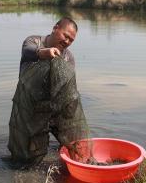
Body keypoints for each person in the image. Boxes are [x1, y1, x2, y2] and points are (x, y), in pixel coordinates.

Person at [5, 17, 87, 169]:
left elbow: (67, 89)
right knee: (27, 160)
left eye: (71, 40)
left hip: (54, 109)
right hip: (29, 109)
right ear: (55, 28)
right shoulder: (33, 41)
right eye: (65, 36)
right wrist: (45, 53)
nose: (67, 41)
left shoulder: (68, 57)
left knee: (75, 146)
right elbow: (28, 53)